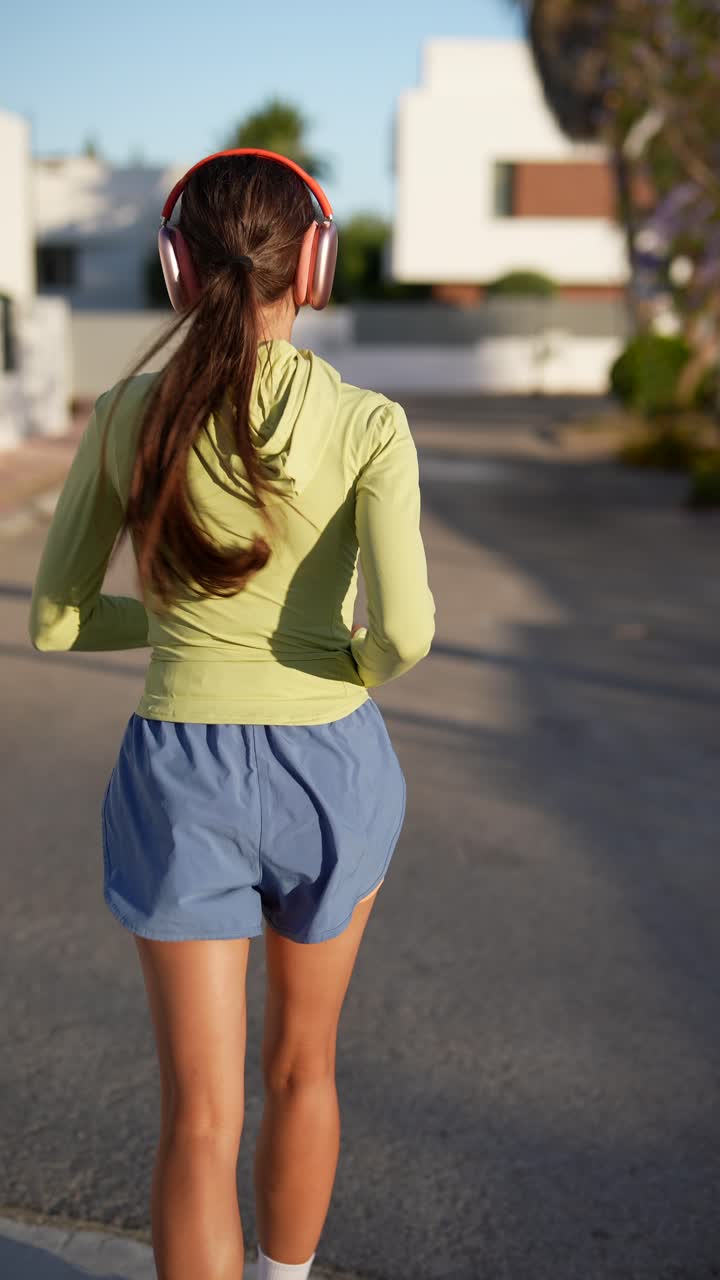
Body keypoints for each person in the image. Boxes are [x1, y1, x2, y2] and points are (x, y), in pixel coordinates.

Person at [28, 149, 436, 1280]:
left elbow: (55, 622)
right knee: (306, 1068)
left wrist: (185, 636)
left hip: (180, 771)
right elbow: (406, 632)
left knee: (197, 1115)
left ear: (175, 265)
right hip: (334, 766)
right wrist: (328, 662)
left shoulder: (121, 413)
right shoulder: (370, 422)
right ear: (315, 263)